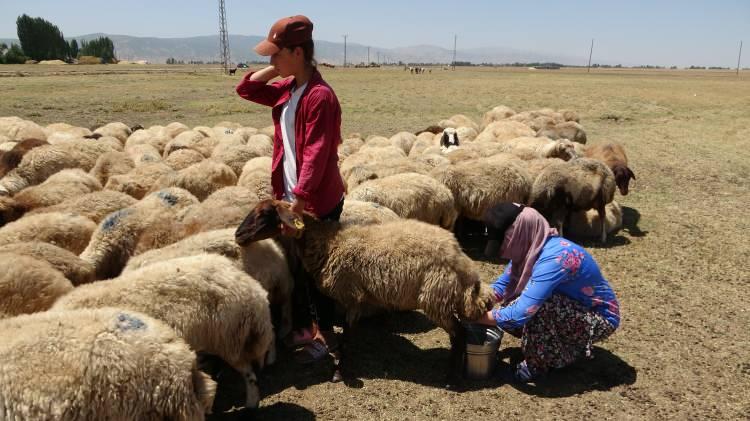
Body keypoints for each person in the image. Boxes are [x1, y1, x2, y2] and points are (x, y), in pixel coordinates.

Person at [235, 15, 345, 363]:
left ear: (297, 51)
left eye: (276, 54)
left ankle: (327, 337)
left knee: (318, 271)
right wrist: (275, 70)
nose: (271, 61)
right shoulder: (289, 88)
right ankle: (307, 327)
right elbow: (246, 89)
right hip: (293, 195)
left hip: (315, 200)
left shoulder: (320, 96)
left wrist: (300, 200)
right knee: (298, 266)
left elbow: (316, 151)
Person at [475, 203, 620, 383]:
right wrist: (476, 303)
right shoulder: (530, 247)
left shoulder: (556, 258)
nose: (501, 250)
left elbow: (522, 312)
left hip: (599, 320)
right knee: (512, 307)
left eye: (504, 241)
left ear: (519, 233)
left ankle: (536, 367)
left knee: (535, 308)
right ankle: (562, 349)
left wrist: (476, 318)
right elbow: (502, 287)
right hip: (571, 311)